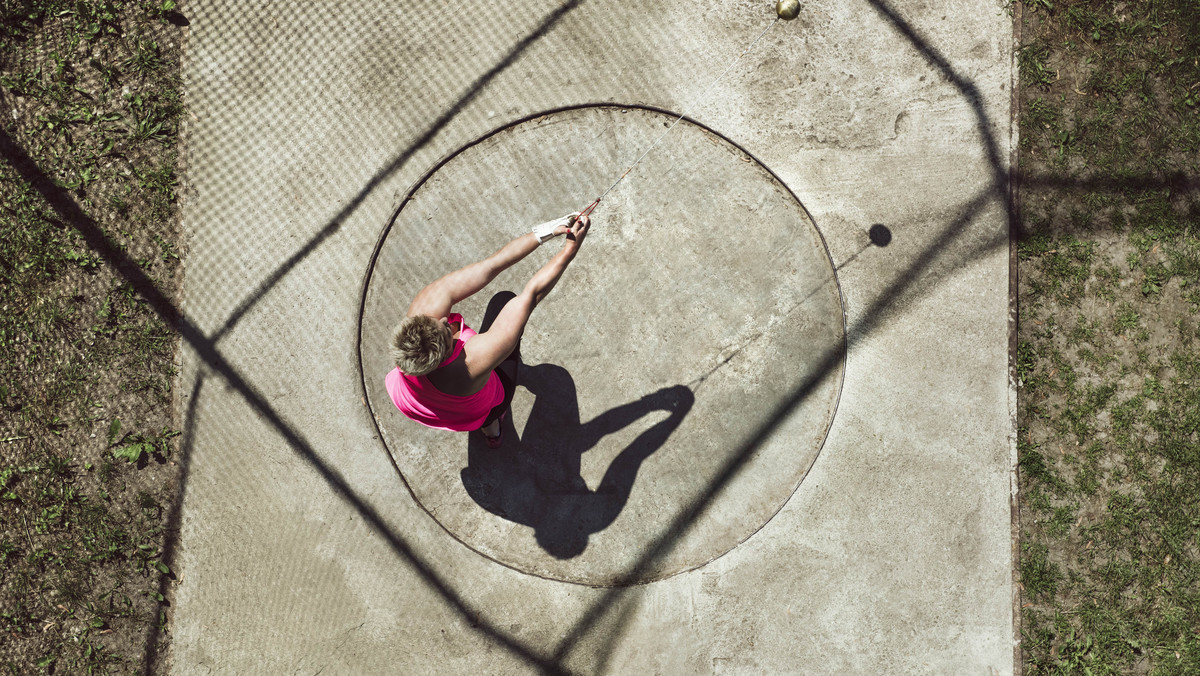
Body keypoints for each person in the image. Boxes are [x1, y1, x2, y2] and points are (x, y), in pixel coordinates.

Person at [386, 213, 592, 447]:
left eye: (434, 320)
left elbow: (491, 265)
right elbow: (531, 294)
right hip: (481, 404)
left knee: (481, 418)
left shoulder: (423, 313)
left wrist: (548, 230)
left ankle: (490, 432)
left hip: (412, 401)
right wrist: (570, 249)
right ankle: (491, 423)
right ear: (443, 356)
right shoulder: (476, 359)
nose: (444, 320)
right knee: (505, 302)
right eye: (445, 329)